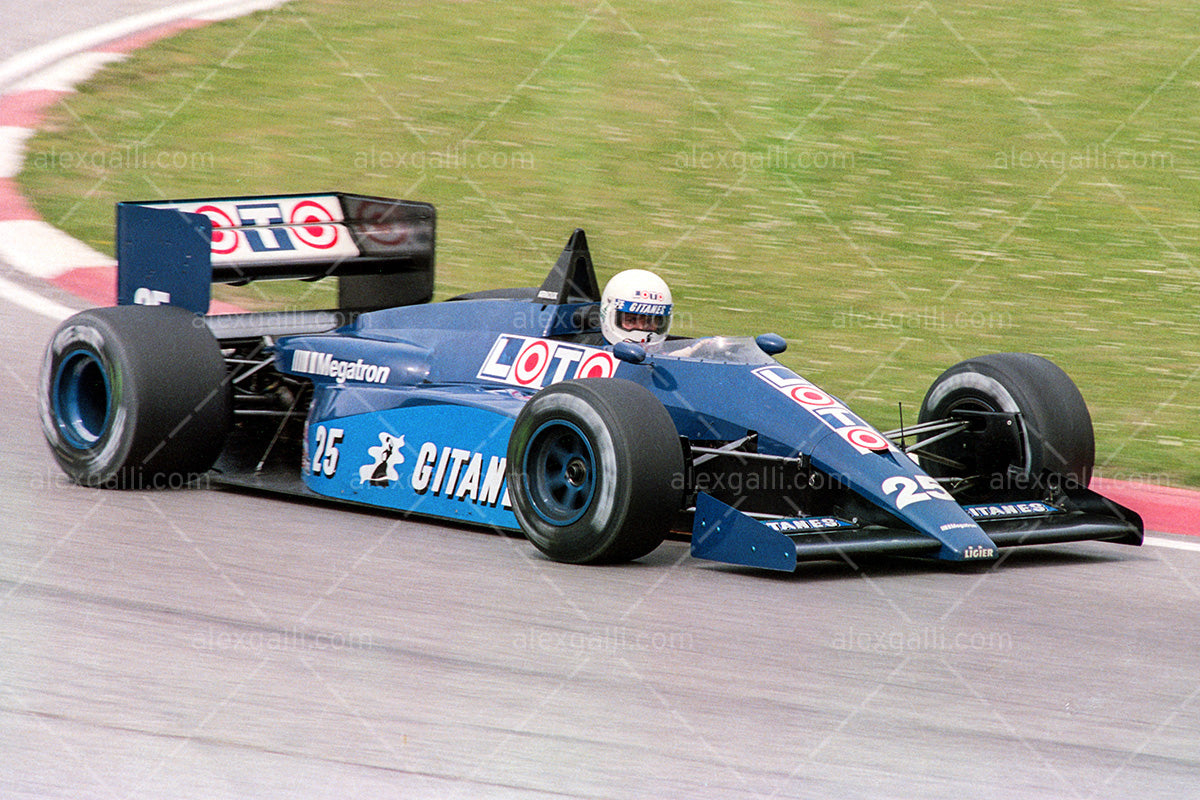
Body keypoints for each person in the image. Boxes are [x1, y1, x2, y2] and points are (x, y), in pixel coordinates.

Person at [599, 269, 673, 345]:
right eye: (631, 320)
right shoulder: (589, 351)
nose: (641, 327)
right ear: (607, 315)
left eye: (649, 321)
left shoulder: (671, 353)